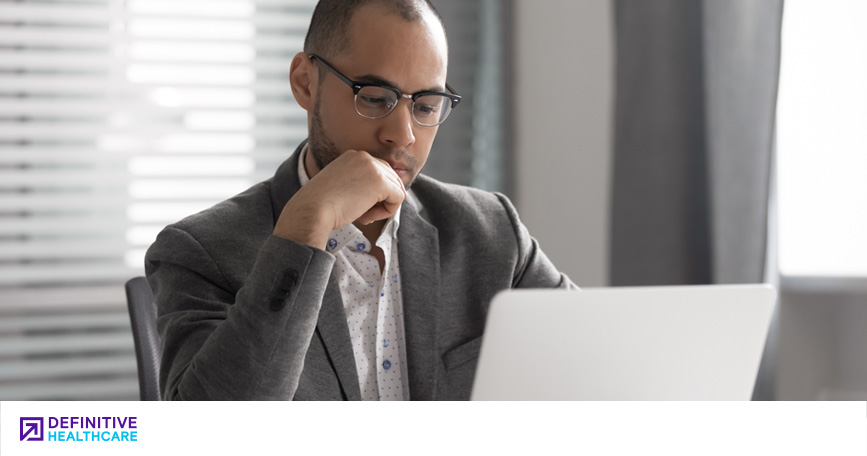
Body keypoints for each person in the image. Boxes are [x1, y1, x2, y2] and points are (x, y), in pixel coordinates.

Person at [145, 0, 577, 401]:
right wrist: (304, 230)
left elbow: (599, 358)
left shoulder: (492, 233)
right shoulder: (201, 252)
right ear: (304, 83)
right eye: (374, 98)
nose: (403, 135)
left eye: (426, 106)